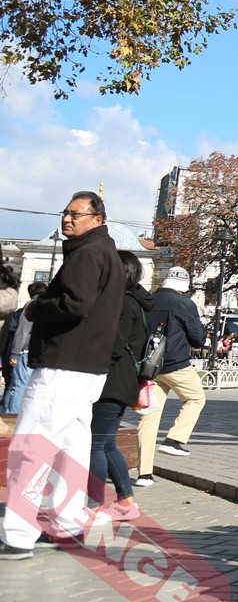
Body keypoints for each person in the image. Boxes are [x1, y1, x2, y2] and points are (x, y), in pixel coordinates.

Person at [3, 192, 124, 558]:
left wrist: (34, 307)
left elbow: (75, 304)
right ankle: (68, 523)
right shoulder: (107, 254)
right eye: (65, 213)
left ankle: (16, 532)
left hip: (63, 365)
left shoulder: (87, 254)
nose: (68, 219)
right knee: (72, 448)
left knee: (32, 446)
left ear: (97, 218)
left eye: (76, 214)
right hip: (87, 367)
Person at [91, 251, 154, 522]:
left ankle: (94, 505)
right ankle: (126, 502)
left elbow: (110, 343)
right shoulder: (136, 302)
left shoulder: (119, 303)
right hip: (123, 379)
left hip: (110, 379)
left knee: (94, 444)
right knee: (106, 443)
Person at [136, 264, 208, 474]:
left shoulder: (147, 301)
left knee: (149, 417)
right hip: (176, 364)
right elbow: (197, 338)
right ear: (184, 286)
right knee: (196, 398)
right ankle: (174, 439)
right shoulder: (184, 304)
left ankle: (144, 473)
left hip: (150, 367)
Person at [3, 282, 46, 416]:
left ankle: (8, 415)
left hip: (24, 351)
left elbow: (22, 331)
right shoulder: (43, 305)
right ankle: (9, 414)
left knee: (17, 386)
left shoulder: (31, 305)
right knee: (20, 387)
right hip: (33, 351)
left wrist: (14, 353)